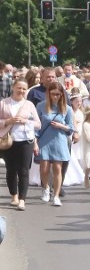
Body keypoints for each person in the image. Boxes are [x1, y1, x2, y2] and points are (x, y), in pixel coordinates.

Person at [0, 79, 41, 210]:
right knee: (11, 170)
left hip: (26, 140)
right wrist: (8, 121)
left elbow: (38, 124)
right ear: (13, 87)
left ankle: (22, 199)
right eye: (19, 88)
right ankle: (14, 196)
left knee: (24, 170)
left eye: (24, 89)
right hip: (8, 141)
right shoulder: (3, 103)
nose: (21, 91)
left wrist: (25, 122)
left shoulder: (29, 104)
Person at [34, 80, 75, 206]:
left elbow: (71, 128)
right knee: (44, 168)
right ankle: (46, 189)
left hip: (59, 140)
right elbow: (36, 126)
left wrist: (61, 126)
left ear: (62, 94)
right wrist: (35, 142)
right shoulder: (41, 106)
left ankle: (56, 196)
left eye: (58, 94)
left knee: (58, 168)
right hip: (44, 140)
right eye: (53, 94)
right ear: (49, 94)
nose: (56, 96)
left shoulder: (67, 109)